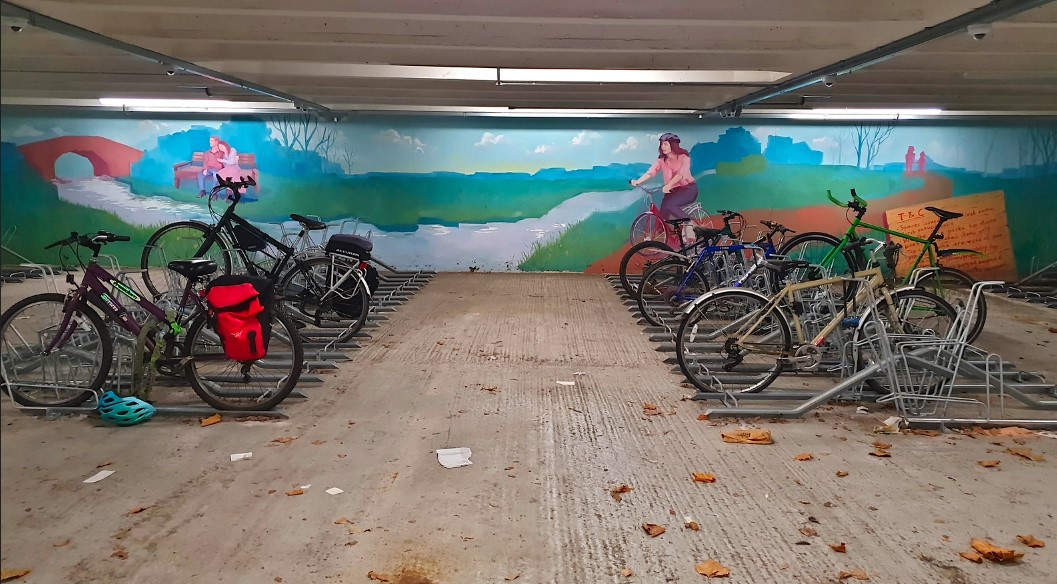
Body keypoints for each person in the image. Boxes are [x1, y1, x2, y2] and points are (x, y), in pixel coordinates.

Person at [630, 132, 698, 247]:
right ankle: (669, 239)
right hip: (671, 191)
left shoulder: (684, 158)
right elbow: (651, 172)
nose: (662, 147)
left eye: (665, 144)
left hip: (688, 189)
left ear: (673, 145)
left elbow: (681, 174)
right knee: (663, 216)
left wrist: (669, 185)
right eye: (661, 144)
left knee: (671, 205)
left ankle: (689, 223)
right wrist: (638, 181)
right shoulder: (661, 160)